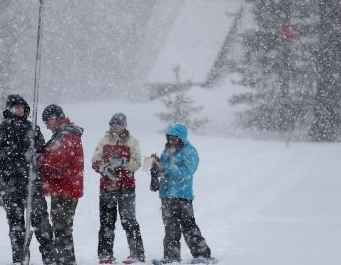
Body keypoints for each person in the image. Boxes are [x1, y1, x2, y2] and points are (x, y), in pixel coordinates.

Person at [0, 94, 55, 265]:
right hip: (11, 185)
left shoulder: (33, 128)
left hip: (33, 183)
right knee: (16, 226)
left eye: (21, 107)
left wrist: (35, 150)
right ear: (8, 109)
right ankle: (20, 259)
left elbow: (42, 151)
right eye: (15, 107)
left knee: (41, 223)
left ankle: (50, 259)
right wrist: (15, 149)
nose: (19, 110)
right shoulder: (0, 130)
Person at [150, 123, 215, 264]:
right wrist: (157, 164)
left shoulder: (190, 151)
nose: (171, 141)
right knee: (170, 228)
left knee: (189, 226)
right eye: (170, 138)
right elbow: (164, 169)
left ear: (182, 138)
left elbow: (187, 172)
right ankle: (171, 257)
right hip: (166, 195)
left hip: (183, 195)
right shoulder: (167, 151)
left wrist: (166, 167)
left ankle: (203, 255)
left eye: (174, 138)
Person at [91, 113, 145, 264]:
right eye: (113, 124)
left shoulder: (132, 142)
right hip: (107, 188)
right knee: (106, 221)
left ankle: (137, 254)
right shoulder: (104, 140)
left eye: (118, 124)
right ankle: (105, 254)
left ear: (124, 126)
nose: (115, 127)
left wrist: (123, 164)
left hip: (126, 188)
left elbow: (137, 163)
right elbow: (94, 160)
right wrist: (103, 168)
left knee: (129, 221)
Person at [37, 104, 84, 265]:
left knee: (62, 229)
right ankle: (65, 260)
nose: (47, 126)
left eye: (47, 121)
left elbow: (58, 165)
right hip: (65, 187)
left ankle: (66, 261)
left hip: (66, 188)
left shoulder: (66, 135)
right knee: (62, 228)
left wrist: (38, 159)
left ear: (55, 118)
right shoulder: (63, 134)